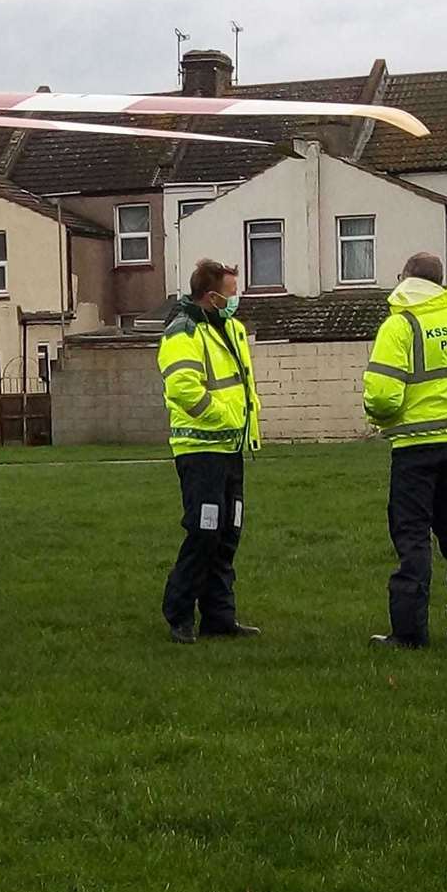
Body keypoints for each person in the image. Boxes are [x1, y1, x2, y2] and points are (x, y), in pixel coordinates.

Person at [363, 252, 447, 648]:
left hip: (414, 449)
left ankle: (409, 632)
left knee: (412, 538)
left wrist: (377, 415)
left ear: (406, 278)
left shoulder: (400, 325)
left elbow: (382, 396)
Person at [157, 258, 262, 644]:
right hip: (201, 450)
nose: (236, 299)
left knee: (227, 532)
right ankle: (179, 613)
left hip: (230, 448)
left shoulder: (230, 328)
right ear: (211, 294)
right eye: (232, 293)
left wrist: (242, 424)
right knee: (203, 532)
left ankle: (220, 617)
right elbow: (183, 387)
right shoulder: (183, 332)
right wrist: (222, 417)